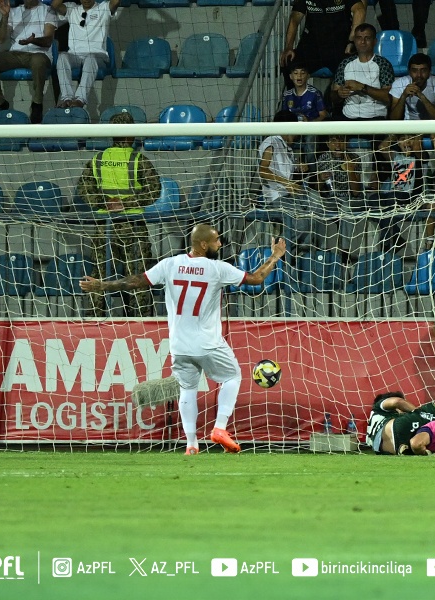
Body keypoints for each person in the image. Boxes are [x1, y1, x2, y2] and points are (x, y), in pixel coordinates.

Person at [80, 227, 288, 455]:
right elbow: (257, 278)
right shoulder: (217, 268)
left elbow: (136, 281)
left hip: (179, 345)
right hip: (207, 343)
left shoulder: (170, 264)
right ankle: (219, 428)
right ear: (203, 245)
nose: (220, 244)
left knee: (187, 389)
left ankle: (191, 444)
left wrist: (102, 286)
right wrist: (275, 256)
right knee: (232, 376)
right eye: (216, 241)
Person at [78, 111, 160, 317]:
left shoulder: (97, 160)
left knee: (99, 273)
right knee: (138, 275)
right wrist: (125, 203)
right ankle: (140, 321)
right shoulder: (138, 159)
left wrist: (105, 203)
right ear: (131, 133)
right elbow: (154, 191)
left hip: (104, 227)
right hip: (133, 226)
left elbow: (84, 189)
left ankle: (94, 320)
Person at [0, 0, 57, 123]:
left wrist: (32, 41)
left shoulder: (48, 10)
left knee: (38, 60)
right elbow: (0, 39)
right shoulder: (14, 12)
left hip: (38, 54)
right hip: (15, 54)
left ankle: (37, 104)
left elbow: (48, 40)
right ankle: (0, 103)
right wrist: (5, 16)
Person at [258, 110, 314, 248]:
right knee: (301, 224)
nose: (297, 134)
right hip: (275, 197)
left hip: (288, 195)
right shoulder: (271, 142)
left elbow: (289, 172)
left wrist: (300, 168)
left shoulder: (287, 148)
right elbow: (263, 170)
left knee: (313, 217)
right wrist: (286, 183)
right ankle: (276, 252)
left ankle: (298, 256)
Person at [51, 0, 120, 109]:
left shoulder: (103, 8)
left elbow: (115, 3)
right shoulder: (72, 9)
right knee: (62, 56)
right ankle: (67, 98)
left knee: (90, 58)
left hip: (97, 56)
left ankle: (80, 99)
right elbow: (55, 5)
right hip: (75, 55)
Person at [279, 0, 365, 80]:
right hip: (313, 46)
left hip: (339, 45)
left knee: (353, 69)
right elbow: (294, 19)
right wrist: (289, 47)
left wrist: (351, 41)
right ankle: (296, 92)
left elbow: (359, 10)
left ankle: (338, 90)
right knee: (287, 61)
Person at [332, 24, 395, 122]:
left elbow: (389, 98)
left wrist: (363, 88)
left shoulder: (383, 64)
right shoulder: (345, 63)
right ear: (354, 41)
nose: (363, 42)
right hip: (349, 117)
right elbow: (333, 97)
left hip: (375, 117)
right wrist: (339, 94)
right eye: (359, 38)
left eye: (367, 38)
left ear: (375, 41)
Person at [389, 53, 435, 121]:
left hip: (432, 126)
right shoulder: (399, 84)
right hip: (409, 125)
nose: (419, 75)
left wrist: (422, 96)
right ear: (409, 72)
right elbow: (393, 118)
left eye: (423, 70)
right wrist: (403, 96)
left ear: (429, 72)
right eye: (414, 71)